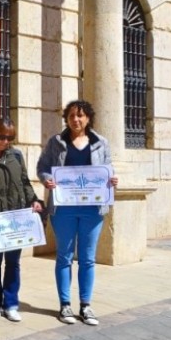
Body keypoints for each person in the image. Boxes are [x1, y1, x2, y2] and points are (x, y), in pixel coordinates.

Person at [37, 100, 118, 326]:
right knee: (64, 256)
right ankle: (65, 306)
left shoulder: (101, 143)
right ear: (67, 118)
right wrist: (47, 180)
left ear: (88, 118)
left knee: (88, 259)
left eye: (80, 116)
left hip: (93, 209)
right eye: (72, 116)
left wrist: (112, 179)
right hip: (63, 209)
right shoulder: (56, 142)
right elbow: (42, 167)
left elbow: (108, 168)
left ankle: (86, 305)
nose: (76, 120)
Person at [0, 117, 43, 322]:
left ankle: (11, 303)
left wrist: (34, 200)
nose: (6, 141)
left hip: (17, 217)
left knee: (13, 263)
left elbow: (24, 182)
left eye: (10, 138)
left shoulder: (15, 155)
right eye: (2, 137)